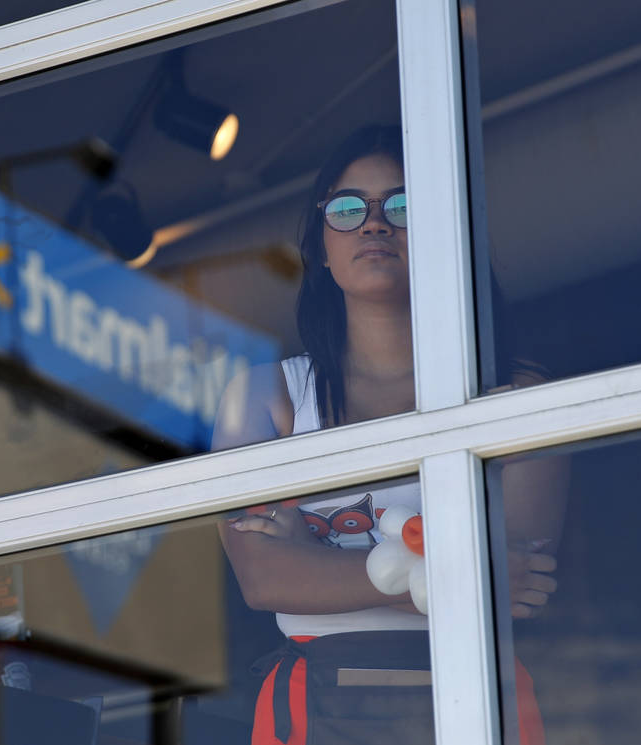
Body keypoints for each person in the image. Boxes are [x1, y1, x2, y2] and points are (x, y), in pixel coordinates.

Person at [212, 125, 565, 745]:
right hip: (315, 705)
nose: (374, 224)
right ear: (322, 245)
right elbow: (262, 581)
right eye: (348, 209)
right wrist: (454, 574)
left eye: (402, 205)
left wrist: (318, 563)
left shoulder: (515, 393)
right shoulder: (266, 396)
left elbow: (515, 585)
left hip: (479, 690)